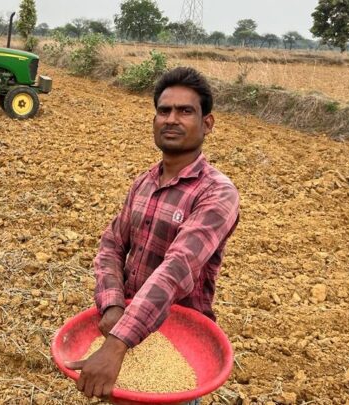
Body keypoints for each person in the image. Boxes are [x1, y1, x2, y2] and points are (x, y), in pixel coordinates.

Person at [65, 67, 240, 403]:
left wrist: (117, 343)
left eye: (185, 111)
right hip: (128, 330)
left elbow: (178, 268)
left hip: (175, 335)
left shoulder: (216, 193)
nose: (171, 119)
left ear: (207, 124)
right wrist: (113, 305)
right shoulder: (145, 182)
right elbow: (112, 244)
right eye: (164, 110)